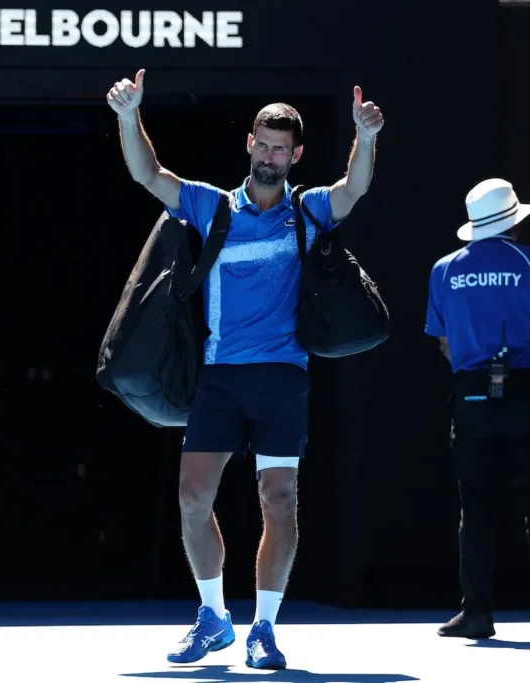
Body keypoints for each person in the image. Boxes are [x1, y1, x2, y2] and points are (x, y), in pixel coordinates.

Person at [106, 69, 384, 669]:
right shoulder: (212, 206)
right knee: (190, 498)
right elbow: (147, 175)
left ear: (296, 155)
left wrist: (365, 136)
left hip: (282, 376)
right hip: (220, 376)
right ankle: (213, 617)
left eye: (282, 148)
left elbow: (353, 188)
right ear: (250, 145)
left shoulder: (309, 211)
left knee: (278, 499)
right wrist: (130, 119)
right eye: (263, 143)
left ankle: (264, 627)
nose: (270, 154)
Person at [425, 178, 530, 640]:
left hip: (470, 395)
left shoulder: (445, 270)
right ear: (514, 221)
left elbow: (445, 343)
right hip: (527, 391)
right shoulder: (528, 264)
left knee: (476, 506)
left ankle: (477, 612)